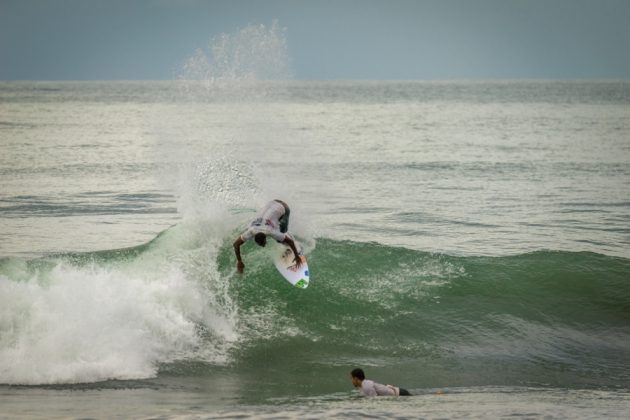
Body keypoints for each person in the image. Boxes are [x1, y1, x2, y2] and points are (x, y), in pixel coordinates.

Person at [233, 199, 302, 274]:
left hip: (283, 207)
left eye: (263, 244)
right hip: (272, 203)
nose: (263, 246)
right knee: (276, 228)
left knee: (281, 236)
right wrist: (239, 261)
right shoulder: (251, 230)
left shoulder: (270, 232)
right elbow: (236, 244)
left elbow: (290, 242)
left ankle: (295, 244)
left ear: (265, 238)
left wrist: (297, 256)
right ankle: (279, 229)